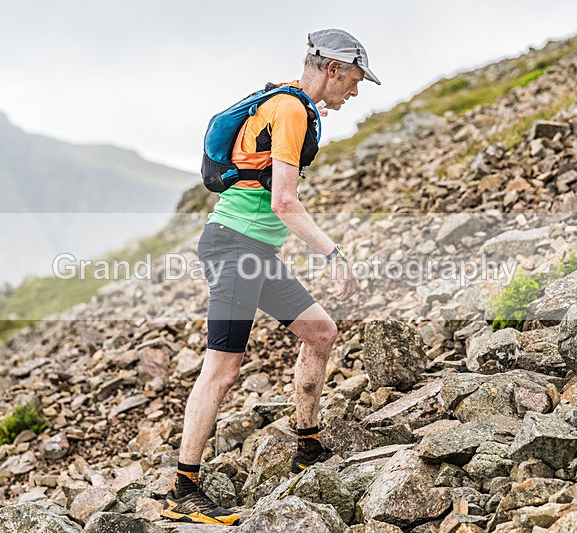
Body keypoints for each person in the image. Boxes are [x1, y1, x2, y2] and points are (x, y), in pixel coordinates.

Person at [161, 28, 380, 526]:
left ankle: (307, 446)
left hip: (254, 252)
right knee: (224, 368)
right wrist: (334, 253)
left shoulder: (292, 106)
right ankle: (182, 488)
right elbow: (284, 201)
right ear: (333, 69)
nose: (356, 90)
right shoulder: (290, 110)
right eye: (355, 80)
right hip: (235, 248)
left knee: (321, 332)